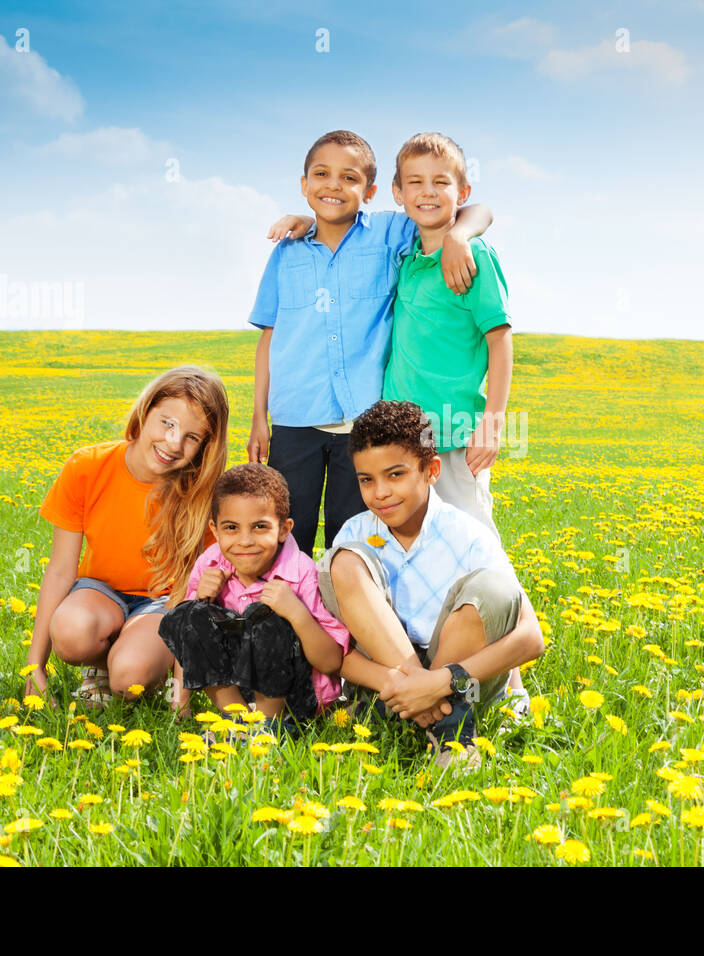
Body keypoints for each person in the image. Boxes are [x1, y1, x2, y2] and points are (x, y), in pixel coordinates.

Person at [247, 129, 492, 558]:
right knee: (288, 533)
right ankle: (282, 619)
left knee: (356, 538)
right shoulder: (286, 254)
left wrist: (459, 236)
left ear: (373, 190)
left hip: (362, 423)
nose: (334, 186)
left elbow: (474, 209)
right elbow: (269, 337)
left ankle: (349, 623)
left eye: (349, 178)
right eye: (321, 175)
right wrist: (258, 417)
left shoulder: (389, 233)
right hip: (294, 419)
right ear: (304, 185)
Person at [317, 400, 544, 769]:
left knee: (494, 588)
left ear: (432, 470)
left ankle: (450, 736)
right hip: (386, 689)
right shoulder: (355, 533)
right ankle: (421, 712)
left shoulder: (469, 533)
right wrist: (406, 683)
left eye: (395, 475)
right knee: (340, 563)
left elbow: (532, 637)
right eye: (366, 480)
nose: (380, 492)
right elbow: (329, 641)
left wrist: (439, 683)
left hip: (458, 683)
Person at [23, 366, 229, 710]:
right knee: (72, 633)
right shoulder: (87, 466)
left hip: (162, 605)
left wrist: (182, 690)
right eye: (167, 423)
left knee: (129, 679)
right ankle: (103, 664)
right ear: (145, 411)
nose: (173, 443)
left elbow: (195, 598)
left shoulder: (202, 494)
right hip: (98, 593)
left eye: (192, 437)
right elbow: (60, 570)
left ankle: (136, 659)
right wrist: (35, 667)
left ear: (205, 446)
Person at [383, 132, 511, 539]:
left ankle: (508, 605)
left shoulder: (475, 258)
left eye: (441, 182)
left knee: (472, 541)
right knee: (418, 542)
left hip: (456, 434)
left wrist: (492, 422)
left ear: (462, 191)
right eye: (415, 182)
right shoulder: (406, 257)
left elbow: (499, 341)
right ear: (397, 193)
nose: (428, 192)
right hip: (404, 437)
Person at [158, 463, 349, 723]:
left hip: (295, 697)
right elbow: (188, 636)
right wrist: (180, 708)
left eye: (260, 527)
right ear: (215, 530)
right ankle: (239, 720)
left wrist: (297, 613)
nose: (245, 541)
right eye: (231, 528)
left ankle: (266, 726)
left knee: (263, 617)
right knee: (188, 613)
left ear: (284, 529)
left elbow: (330, 662)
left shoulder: (302, 572)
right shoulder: (210, 563)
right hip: (238, 688)